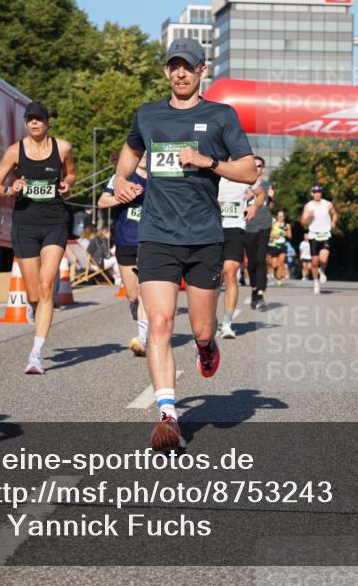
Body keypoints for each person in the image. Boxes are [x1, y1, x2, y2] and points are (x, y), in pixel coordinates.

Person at [111, 37, 256, 450]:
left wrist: (207, 161)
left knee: (201, 327)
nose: (180, 73)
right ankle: (168, 416)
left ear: (202, 71)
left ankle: (206, 347)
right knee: (158, 323)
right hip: (156, 234)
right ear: (165, 71)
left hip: (204, 236)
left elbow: (248, 172)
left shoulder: (221, 116)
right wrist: (122, 179)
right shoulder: (148, 115)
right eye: (174, 66)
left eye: (187, 67)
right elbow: (129, 153)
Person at [0, 101, 76, 374]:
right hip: (25, 223)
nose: (34, 124)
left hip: (55, 221)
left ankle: (36, 354)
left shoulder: (63, 148)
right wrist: (9, 188)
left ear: (48, 122)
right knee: (34, 293)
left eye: (39, 119)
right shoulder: (15, 151)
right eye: (30, 120)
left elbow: (71, 173)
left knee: (48, 284)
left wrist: (67, 183)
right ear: (26, 123)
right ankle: (34, 305)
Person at [100, 154, 150, 356]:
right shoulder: (122, 177)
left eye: (149, 152)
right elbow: (102, 202)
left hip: (150, 240)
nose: (145, 157)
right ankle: (139, 314)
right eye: (142, 153)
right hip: (125, 240)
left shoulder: (160, 176)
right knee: (132, 294)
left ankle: (143, 338)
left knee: (144, 290)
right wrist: (124, 195)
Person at [216, 170, 253, 339]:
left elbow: (260, 194)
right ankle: (210, 319)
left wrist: (255, 205)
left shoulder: (244, 174)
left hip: (236, 228)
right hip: (213, 229)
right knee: (215, 278)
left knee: (230, 272)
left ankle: (227, 323)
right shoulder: (214, 170)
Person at [301, 184, 338, 295]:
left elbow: (335, 214)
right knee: (314, 262)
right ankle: (316, 282)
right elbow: (302, 222)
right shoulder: (308, 206)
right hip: (313, 235)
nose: (318, 194)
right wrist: (308, 217)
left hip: (325, 234)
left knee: (324, 260)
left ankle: (322, 271)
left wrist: (333, 221)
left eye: (319, 192)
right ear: (312, 193)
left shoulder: (327, 204)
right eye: (315, 192)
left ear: (321, 193)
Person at [243, 157, 270, 310]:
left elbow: (272, 209)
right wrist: (245, 196)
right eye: (254, 166)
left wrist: (271, 198)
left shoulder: (267, 186)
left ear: (263, 169)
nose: (256, 168)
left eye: (259, 166)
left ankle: (260, 294)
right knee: (252, 262)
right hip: (247, 227)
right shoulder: (242, 185)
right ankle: (254, 288)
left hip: (264, 226)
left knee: (261, 260)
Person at [268, 210, 291, 285]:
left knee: (281, 262)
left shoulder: (287, 225)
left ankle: (279, 279)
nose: (280, 217)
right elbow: (270, 235)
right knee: (274, 265)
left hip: (283, 246)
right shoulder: (274, 224)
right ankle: (276, 276)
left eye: (282, 216)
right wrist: (275, 236)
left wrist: (284, 233)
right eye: (279, 216)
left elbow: (290, 236)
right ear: (277, 217)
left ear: (284, 217)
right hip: (274, 246)